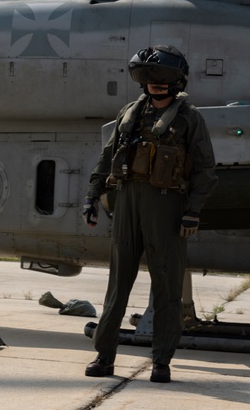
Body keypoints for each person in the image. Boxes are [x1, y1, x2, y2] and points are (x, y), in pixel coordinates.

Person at [81, 45, 216, 383]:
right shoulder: (130, 113)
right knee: (117, 284)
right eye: (150, 77)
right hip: (127, 201)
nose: (156, 83)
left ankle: (161, 361)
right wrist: (93, 196)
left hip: (167, 205)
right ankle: (104, 356)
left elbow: (205, 170)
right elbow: (106, 157)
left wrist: (192, 212)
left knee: (167, 286)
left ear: (177, 81)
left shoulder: (189, 118)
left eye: (163, 77)